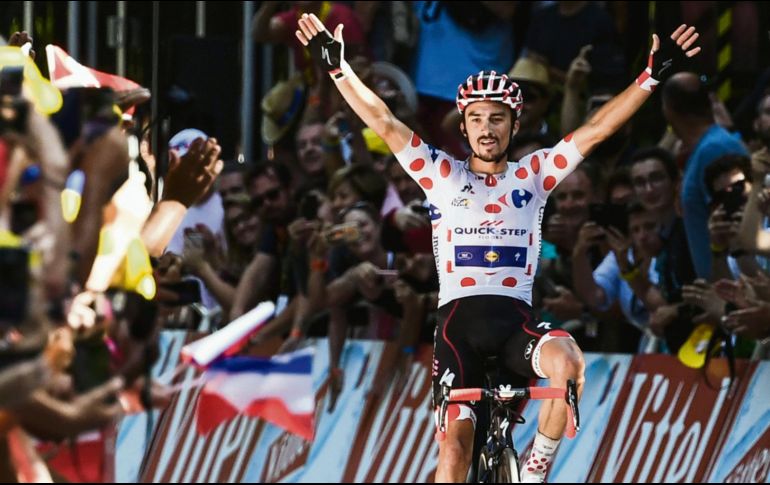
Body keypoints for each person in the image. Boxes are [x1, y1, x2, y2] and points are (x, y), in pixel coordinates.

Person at [296, 14, 700, 483]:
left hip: (516, 324)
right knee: (453, 456)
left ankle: (534, 471)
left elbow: (595, 131)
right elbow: (385, 123)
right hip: (458, 331)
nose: (487, 129)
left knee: (568, 364)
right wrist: (340, 71)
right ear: (463, 128)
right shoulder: (441, 174)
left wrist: (650, 76)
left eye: (497, 119)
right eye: (476, 120)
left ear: (513, 125)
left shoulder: (535, 172)